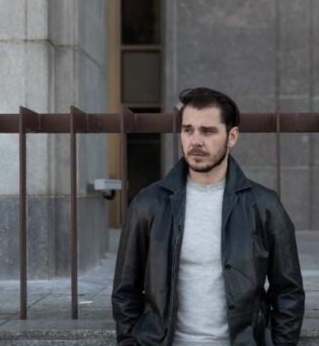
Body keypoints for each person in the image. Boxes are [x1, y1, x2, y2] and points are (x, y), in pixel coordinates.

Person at [112, 87, 305, 346]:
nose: (195, 141)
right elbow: (125, 292)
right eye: (188, 129)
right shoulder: (149, 204)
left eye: (208, 131)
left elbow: (288, 291)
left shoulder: (264, 205)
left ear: (232, 136)